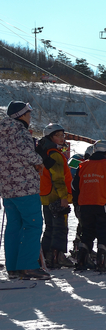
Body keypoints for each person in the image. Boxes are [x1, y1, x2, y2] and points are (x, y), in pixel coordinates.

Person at [0, 101, 49, 279]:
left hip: (7, 189)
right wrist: (38, 161)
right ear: (21, 115)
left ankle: (13, 267)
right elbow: (25, 152)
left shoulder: (2, 132)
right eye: (28, 114)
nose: (30, 117)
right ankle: (28, 266)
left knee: (13, 226)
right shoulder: (19, 131)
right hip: (25, 186)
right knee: (33, 224)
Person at [71, 140, 106, 271]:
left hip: (84, 205)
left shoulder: (83, 166)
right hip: (102, 204)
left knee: (86, 232)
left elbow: (74, 187)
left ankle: (82, 260)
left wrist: (77, 204)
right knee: (104, 231)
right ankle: (103, 261)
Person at [37, 123, 74, 268]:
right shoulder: (55, 155)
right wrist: (64, 197)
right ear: (50, 137)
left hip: (45, 196)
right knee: (60, 227)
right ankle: (58, 256)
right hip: (56, 196)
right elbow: (58, 179)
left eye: (62, 135)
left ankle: (46, 256)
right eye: (58, 135)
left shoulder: (43, 153)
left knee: (50, 227)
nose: (61, 138)